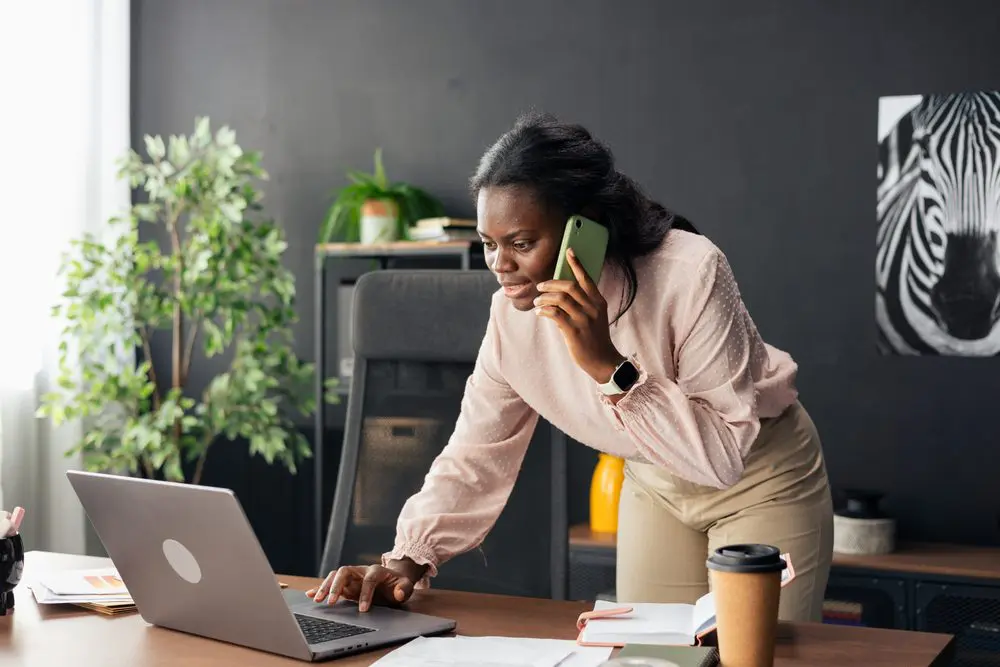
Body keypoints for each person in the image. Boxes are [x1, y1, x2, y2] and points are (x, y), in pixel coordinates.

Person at [306, 112, 834, 621]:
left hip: (761, 478)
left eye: (521, 243)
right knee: (653, 663)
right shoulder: (511, 320)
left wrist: (608, 365)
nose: (501, 266)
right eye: (490, 245)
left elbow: (722, 458)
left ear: (586, 229)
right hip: (656, 482)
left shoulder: (690, 270)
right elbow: (476, 452)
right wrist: (406, 560)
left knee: (756, 658)